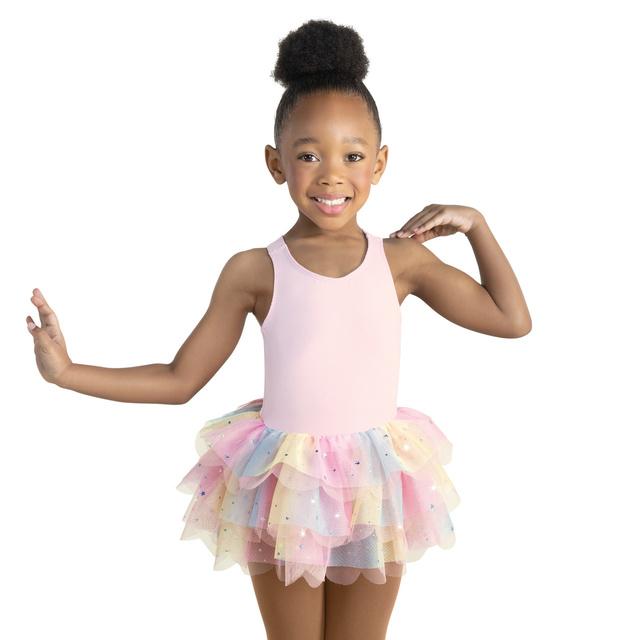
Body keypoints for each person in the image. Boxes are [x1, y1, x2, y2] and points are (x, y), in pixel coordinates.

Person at [26, 18, 532, 640]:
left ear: (379, 164)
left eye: (352, 156)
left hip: (373, 481)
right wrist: (67, 372)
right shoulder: (253, 270)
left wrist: (477, 224)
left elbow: (511, 320)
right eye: (308, 155)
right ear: (276, 163)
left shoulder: (403, 261)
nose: (331, 175)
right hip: (285, 483)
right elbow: (181, 379)